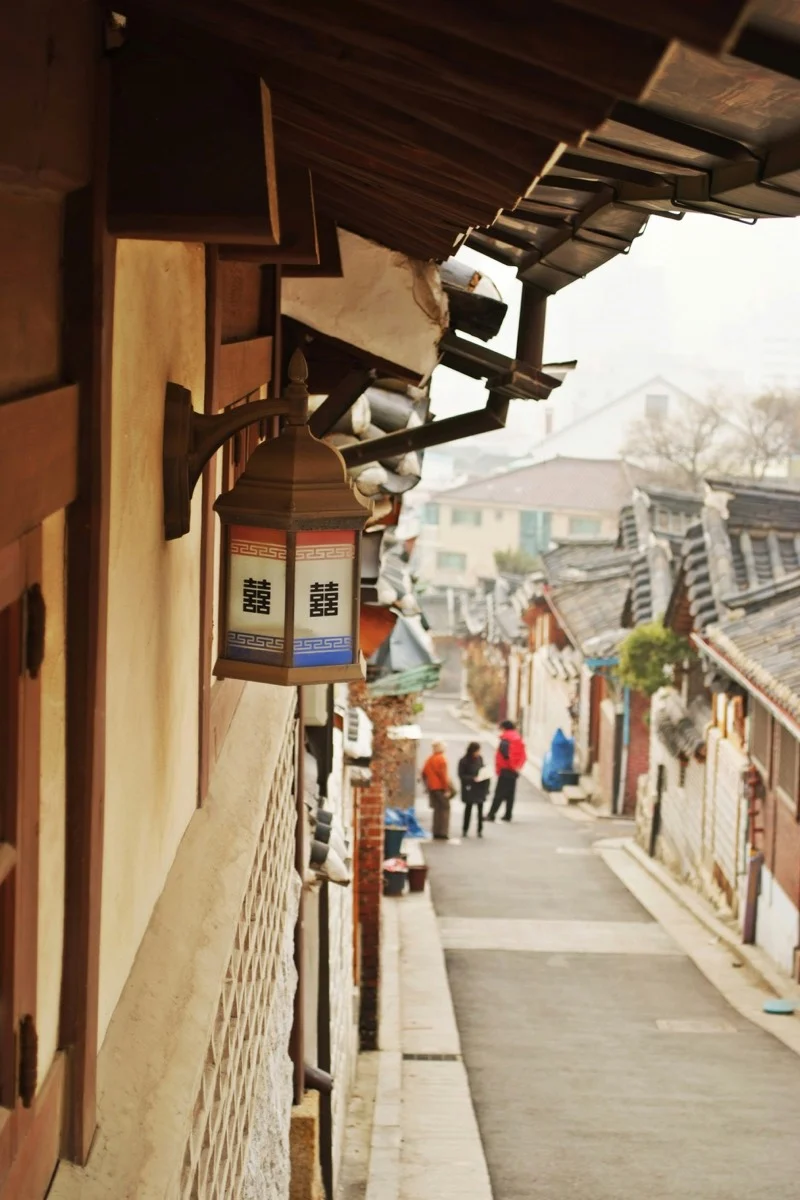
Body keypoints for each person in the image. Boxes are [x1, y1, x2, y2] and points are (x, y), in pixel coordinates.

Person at [486, 719, 527, 823]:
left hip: (506, 769)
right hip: (514, 770)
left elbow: (506, 756)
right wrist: (517, 767)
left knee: (499, 793)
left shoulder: (506, 739)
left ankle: (491, 814)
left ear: (504, 728)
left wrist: (505, 767)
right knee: (510, 794)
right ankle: (508, 815)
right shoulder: (518, 738)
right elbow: (523, 755)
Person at [421, 740, 454, 840]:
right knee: (444, 809)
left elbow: (423, 773)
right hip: (440, 787)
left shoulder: (430, 759)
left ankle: (436, 831)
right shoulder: (441, 759)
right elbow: (443, 776)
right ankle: (443, 832)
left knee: (436, 810)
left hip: (432, 787)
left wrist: (427, 785)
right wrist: (447, 789)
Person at [457, 742, 491, 837]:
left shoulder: (480, 759)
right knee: (468, 809)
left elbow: (482, 770)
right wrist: (472, 779)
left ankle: (480, 830)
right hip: (470, 788)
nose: (478, 753)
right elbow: (461, 775)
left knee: (480, 810)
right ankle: (465, 829)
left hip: (480, 788)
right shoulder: (464, 761)